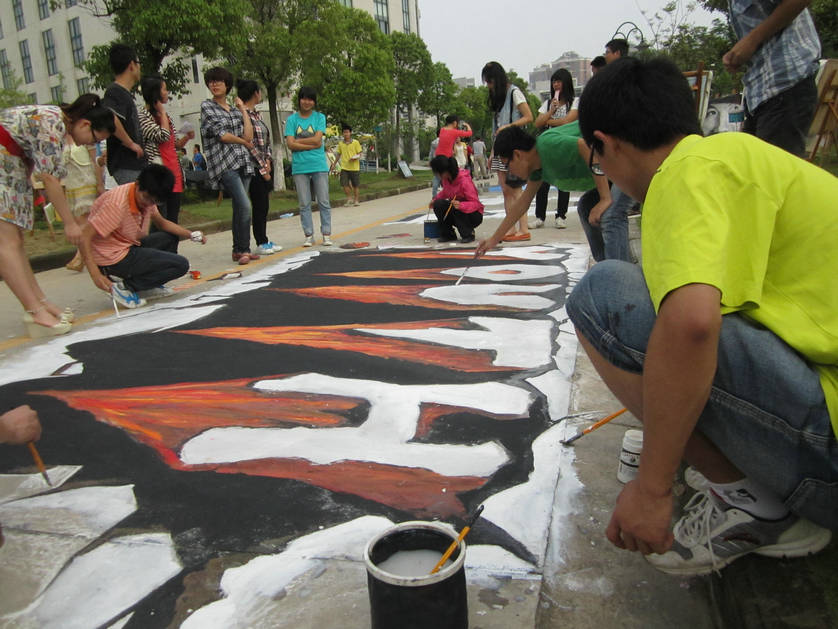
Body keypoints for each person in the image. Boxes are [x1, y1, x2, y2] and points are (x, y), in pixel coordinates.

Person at [567, 56, 837, 576]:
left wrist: (652, 486)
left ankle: (755, 507)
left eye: (599, 161)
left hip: (828, 459)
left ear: (610, 144)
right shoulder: (738, 157)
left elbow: (692, 326)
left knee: (604, 295)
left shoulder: (685, 173)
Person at [0, 95, 114, 337]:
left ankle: (39, 302)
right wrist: (70, 223)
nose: (87, 145)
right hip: (4, 161)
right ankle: (34, 310)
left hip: (11, 163)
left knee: (15, 240)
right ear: (85, 124)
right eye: (93, 139)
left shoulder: (56, 121)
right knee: (6, 242)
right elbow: (50, 179)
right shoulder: (53, 123)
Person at [474, 122, 612, 259]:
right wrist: (493, 240)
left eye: (507, 165)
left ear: (517, 155)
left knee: (614, 215)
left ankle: (619, 266)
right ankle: (606, 263)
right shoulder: (537, 169)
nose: (510, 171)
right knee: (586, 207)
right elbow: (522, 204)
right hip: (611, 172)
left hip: (623, 156)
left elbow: (586, 147)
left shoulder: (547, 145)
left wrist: (605, 198)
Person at [78, 164, 206, 309]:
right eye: (146, 198)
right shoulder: (116, 204)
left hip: (127, 245)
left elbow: (162, 223)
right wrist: (96, 275)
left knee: (170, 238)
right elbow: (84, 237)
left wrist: (191, 234)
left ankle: (146, 285)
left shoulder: (147, 196)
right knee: (181, 265)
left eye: (154, 201)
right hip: (111, 257)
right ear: (138, 184)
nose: (148, 204)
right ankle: (124, 287)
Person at [723, 0, 821, 157]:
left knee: (777, 176)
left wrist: (752, 40)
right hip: (761, 91)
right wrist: (740, 53)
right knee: (752, 170)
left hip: (785, 83)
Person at [200, 66, 259, 265]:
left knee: (239, 208)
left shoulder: (235, 111)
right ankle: (243, 249)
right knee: (244, 205)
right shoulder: (207, 107)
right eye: (211, 82)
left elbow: (249, 135)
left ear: (227, 84)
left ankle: (239, 249)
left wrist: (242, 108)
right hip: (224, 163)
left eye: (218, 81)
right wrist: (242, 141)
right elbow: (222, 136)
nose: (214, 85)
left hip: (243, 162)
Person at [482, 61, 533, 242]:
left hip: (513, 147)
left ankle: (523, 228)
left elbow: (529, 116)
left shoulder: (514, 93)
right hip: (500, 148)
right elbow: (496, 128)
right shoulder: (498, 98)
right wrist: (492, 153)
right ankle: (510, 228)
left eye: (490, 81)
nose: (489, 85)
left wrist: (509, 126)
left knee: (516, 188)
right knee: (505, 189)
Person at [138, 76, 194, 234]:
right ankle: (160, 256)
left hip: (174, 172)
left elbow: (174, 143)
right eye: (164, 89)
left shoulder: (166, 116)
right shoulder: (144, 116)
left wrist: (187, 137)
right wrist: (162, 113)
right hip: (158, 174)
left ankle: (172, 255)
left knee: (173, 219)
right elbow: (161, 135)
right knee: (159, 220)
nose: (167, 92)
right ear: (155, 92)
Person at [238, 79, 281, 256]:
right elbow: (249, 143)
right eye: (259, 91)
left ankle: (264, 239)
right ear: (255, 93)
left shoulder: (257, 115)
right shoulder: (243, 115)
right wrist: (263, 167)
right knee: (258, 204)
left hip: (263, 164)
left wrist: (269, 160)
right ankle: (260, 242)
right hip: (252, 166)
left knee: (264, 205)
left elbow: (266, 142)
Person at [531, 68, 578, 231]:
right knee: (543, 182)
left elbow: (568, 122)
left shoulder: (575, 102)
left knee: (563, 182)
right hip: (547, 147)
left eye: (559, 81)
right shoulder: (548, 104)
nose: (556, 84)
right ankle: (539, 216)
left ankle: (561, 215)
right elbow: (537, 123)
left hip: (565, 145)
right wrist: (551, 111)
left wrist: (549, 122)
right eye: (554, 81)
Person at [285, 86, 332, 247]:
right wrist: (310, 144)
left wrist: (299, 142)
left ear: (314, 102)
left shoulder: (320, 117)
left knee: (323, 201)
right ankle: (308, 234)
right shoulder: (292, 120)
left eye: (310, 99)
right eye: (304, 98)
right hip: (300, 166)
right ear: (299, 100)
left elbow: (318, 141)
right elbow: (290, 144)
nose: (307, 102)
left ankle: (326, 233)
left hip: (318, 164)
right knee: (304, 203)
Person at [102, 44, 146, 185]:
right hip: (126, 164)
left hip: (135, 164)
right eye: (138, 63)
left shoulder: (124, 94)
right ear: (132, 65)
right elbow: (110, 116)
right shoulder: (114, 91)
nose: (139, 68)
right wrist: (130, 143)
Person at [63, 136, 104, 271]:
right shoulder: (61, 138)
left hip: (86, 181)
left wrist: (99, 183)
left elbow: (95, 161)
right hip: (71, 185)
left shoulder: (83, 135)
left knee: (84, 221)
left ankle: (81, 256)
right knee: (80, 221)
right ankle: (88, 255)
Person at [428, 155, 483, 244]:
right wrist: (435, 200)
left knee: (456, 206)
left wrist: (461, 205)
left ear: (444, 171)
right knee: (438, 204)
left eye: (437, 173)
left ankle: (468, 233)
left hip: (473, 215)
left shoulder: (464, 181)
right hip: (456, 212)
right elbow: (445, 192)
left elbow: (476, 204)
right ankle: (448, 234)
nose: (437, 175)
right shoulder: (446, 180)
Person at [331, 123, 362, 207]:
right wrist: (334, 164)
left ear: (350, 133)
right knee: (344, 184)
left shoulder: (355, 142)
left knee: (355, 185)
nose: (346, 134)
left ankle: (356, 200)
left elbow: (360, 153)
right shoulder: (341, 144)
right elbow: (338, 154)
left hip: (354, 167)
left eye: (347, 132)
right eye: (344, 132)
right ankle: (349, 198)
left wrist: (355, 157)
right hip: (344, 167)